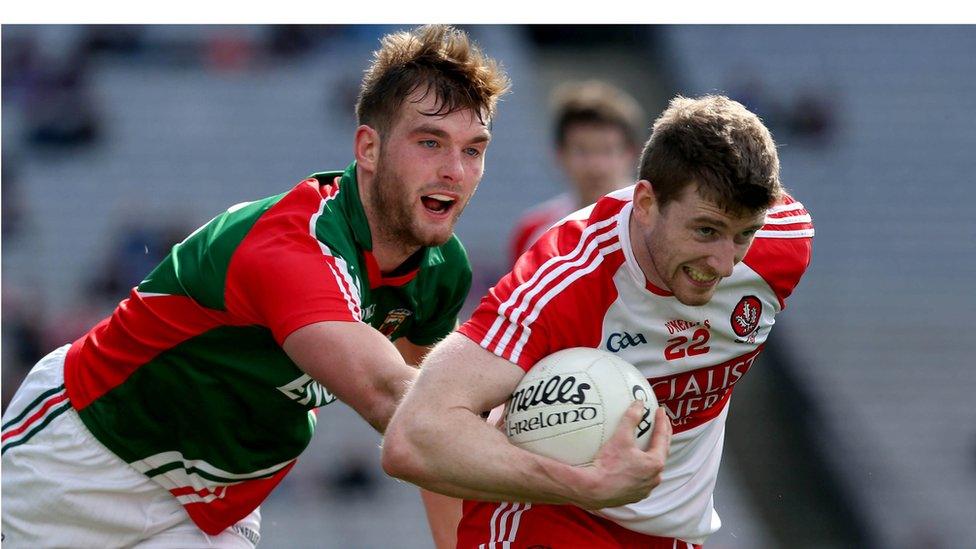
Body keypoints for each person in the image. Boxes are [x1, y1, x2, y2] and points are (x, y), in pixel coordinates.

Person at [0, 24, 509, 548]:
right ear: (369, 148)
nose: (454, 170)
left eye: (473, 150)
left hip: (213, 503)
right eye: (430, 142)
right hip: (86, 457)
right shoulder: (295, 248)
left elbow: (424, 426)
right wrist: (556, 463)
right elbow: (393, 399)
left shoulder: (441, 271)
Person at [383, 94, 814, 548]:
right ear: (645, 203)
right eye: (705, 230)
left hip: (673, 534)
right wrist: (584, 484)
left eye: (744, 235)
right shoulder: (563, 281)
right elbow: (413, 437)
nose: (725, 264)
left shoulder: (785, 244)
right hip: (550, 519)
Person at [508, 80, 644, 266]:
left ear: (631, 154)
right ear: (559, 154)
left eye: (607, 150)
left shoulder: (654, 224)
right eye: (582, 151)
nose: (595, 165)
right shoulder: (532, 231)